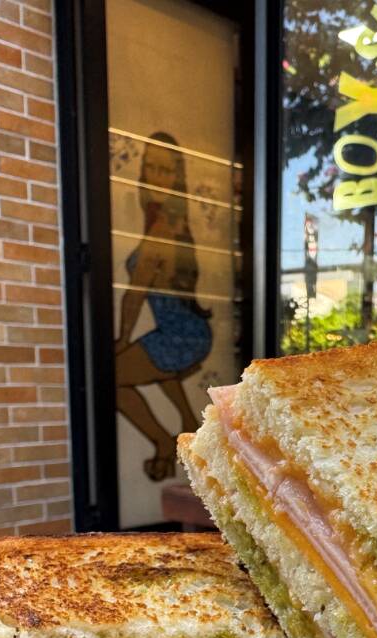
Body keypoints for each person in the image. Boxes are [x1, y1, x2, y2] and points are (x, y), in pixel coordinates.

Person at [115, 132, 212, 481]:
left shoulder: (164, 229)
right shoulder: (167, 222)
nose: (156, 176)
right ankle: (187, 424)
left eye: (165, 170)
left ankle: (161, 442)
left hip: (181, 333)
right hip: (181, 332)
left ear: (177, 176)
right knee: (153, 365)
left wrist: (122, 337)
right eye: (150, 167)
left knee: (114, 378)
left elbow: (134, 294)